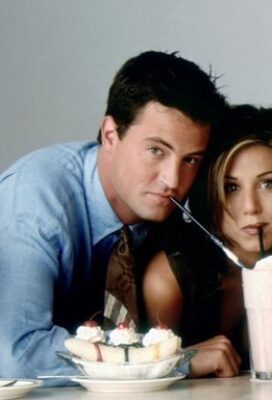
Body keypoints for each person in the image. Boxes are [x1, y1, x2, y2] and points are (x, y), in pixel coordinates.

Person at [0, 51, 228, 383]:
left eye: (190, 159)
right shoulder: (36, 205)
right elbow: (17, 354)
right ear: (110, 134)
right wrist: (170, 363)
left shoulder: (169, 211)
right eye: (156, 150)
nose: (173, 180)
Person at [143, 104, 272, 375]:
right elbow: (144, 377)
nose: (250, 207)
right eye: (231, 187)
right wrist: (180, 362)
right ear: (209, 193)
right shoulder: (169, 278)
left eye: (268, 184)